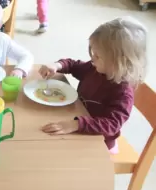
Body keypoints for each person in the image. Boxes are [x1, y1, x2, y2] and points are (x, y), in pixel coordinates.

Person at [39, 17, 147, 154]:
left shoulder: (123, 92)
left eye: (97, 56)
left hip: (100, 141)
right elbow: (74, 65)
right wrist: (57, 65)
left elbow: (112, 125)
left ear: (119, 61)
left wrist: (76, 124)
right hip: (79, 122)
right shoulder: (96, 68)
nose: (92, 59)